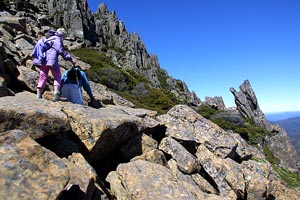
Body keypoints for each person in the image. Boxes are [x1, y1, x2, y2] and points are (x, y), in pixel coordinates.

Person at [34, 28, 75, 101]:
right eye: (64, 36)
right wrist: (71, 59)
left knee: (42, 76)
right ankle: (56, 94)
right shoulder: (57, 39)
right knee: (57, 76)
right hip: (52, 61)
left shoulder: (50, 38)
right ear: (62, 35)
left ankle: (38, 96)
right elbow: (61, 51)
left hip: (43, 60)